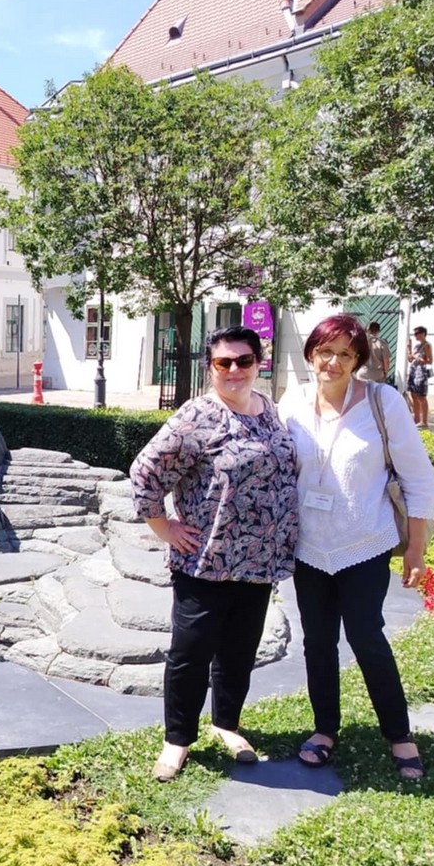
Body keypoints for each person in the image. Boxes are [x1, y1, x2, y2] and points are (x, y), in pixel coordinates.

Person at [128, 325, 299, 782]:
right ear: (211, 368)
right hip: (205, 561)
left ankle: (227, 724)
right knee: (191, 652)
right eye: (224, 362)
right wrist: (163, 527)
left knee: (239, 651)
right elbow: (145, 471)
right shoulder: (197, 416)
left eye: (244, 360)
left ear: (258, 364)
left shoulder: (270, 411)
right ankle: (177, 740)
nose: (234, 370)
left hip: (259, 561)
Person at [279, 314, 434, 781]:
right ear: (311, 353)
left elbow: (419, 479)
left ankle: (399, 734)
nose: (333, 362)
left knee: (367, 637)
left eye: (345, 355)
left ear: (358, 361)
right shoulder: (292, 401)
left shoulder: (382, 402)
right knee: (317, 642)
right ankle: (324, 729)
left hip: (365, 542)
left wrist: (416, 551)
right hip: (309, 547)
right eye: (325, 352)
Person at [405, 326, 434, 429]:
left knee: (421, 397)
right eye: (414, 334)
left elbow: (429, 361)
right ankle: (416, 419)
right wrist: (409, 350)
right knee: (413, 395)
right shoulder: (416, 346)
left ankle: (424, 421)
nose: (415, 335)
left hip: (421, 372)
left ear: (423, 334)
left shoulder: (426, 345)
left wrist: (417, 358)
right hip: (413, 372)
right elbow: (410, 359)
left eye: (417, 333)